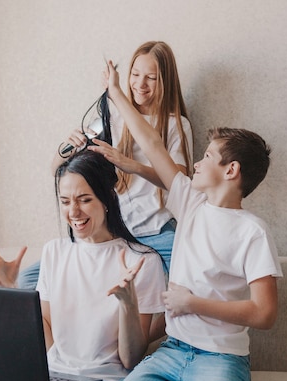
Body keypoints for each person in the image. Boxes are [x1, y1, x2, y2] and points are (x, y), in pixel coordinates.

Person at [101, 60, 283, 381]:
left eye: (207, 157)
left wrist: (192, 303)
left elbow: (265, 314)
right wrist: (116, 93)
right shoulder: (189, 203)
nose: (196, 163)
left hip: (221, 359)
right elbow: (152, 142)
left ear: (231, 171)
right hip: (173, 350)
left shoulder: (253, 231)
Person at [0, 150, 167, 381]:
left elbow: (130, 359)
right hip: (55, 376)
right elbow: (49, 339)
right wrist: (14, 291)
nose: (73, 211)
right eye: (65, 201)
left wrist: (128, 303)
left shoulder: (142, 261)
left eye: (84, 200)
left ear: (107, 199)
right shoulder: (55, 251)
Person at [19, 41, 193, 294]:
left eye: (151, 78)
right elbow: (56, 169)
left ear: (165, 81)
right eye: (135, 75)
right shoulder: (110, 118)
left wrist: (131, 165)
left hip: (158, 232)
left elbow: (178, 182)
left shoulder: (176, 125)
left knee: (192, 276)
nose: (140, 84)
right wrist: (65, 148)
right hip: (115, 233)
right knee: (27, 280)